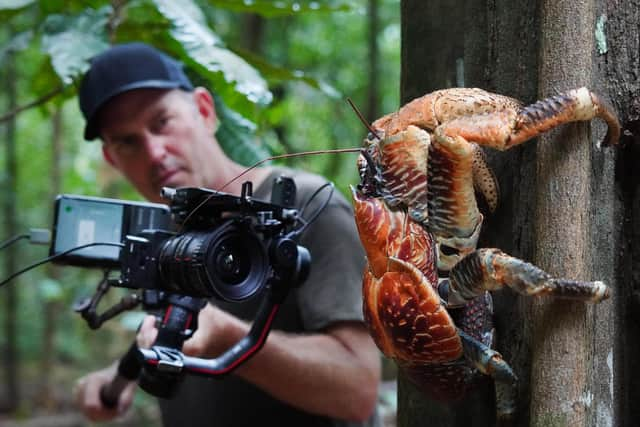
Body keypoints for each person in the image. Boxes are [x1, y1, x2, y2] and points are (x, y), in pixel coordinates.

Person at [72, 42, 381, 427]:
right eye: (127, 142)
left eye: (161, 122)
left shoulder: (308, 208)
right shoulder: (164, 234)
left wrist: (230, 338)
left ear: (204, 111)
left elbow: (357, 388)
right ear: (111, 159)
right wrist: (118, 376)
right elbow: (179, 338)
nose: (154, 152)